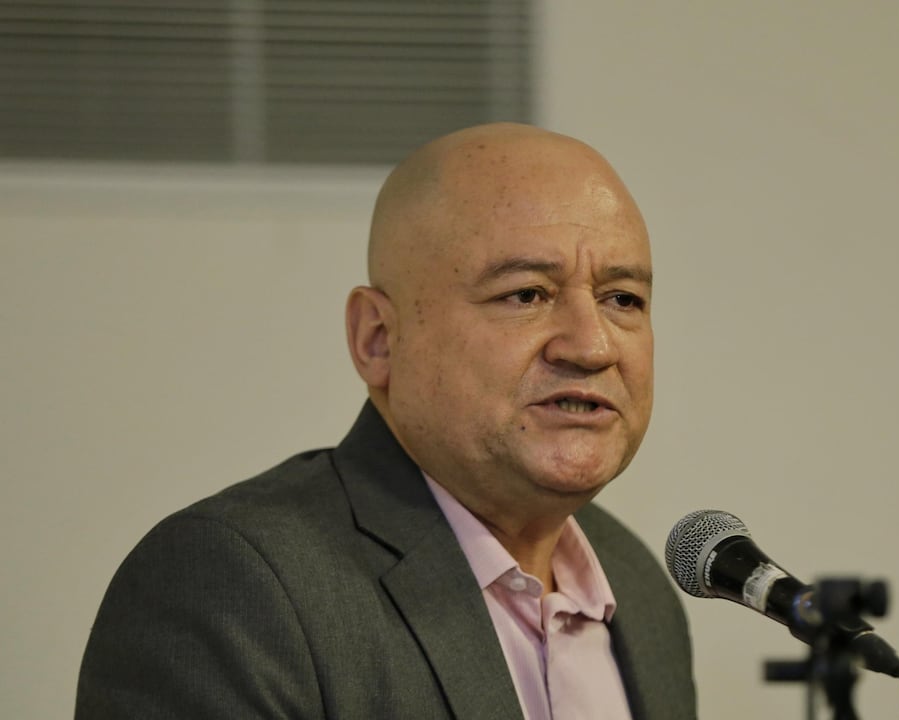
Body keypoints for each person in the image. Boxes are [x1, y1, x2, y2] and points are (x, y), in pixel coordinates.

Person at [75, 123, 697, 719]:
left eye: (623, 300)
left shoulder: (637, 586)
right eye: (526, 294)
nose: (592, 346)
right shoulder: (235, 585)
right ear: (378, 338)